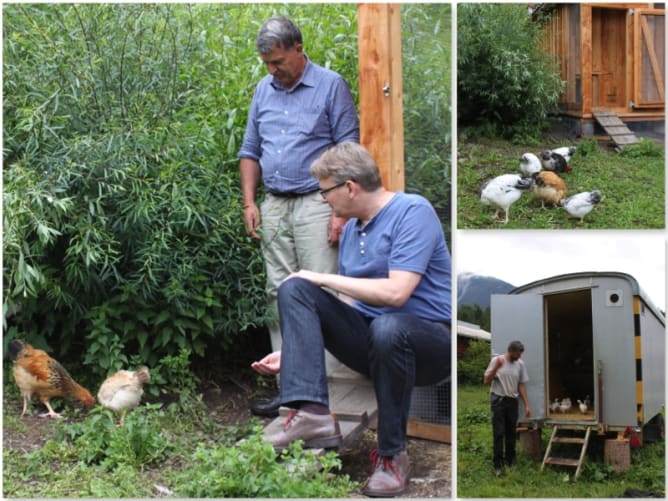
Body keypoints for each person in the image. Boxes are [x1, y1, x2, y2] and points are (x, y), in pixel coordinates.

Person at [251, 143, 451, 497]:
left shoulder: (412, 211)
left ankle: (392, 457)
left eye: (325, 190)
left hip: (427, 345)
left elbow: (396, 294)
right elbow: (349, 310)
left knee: (388, 326)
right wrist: (298, 352)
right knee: (296, 288)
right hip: (373, 343)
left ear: (350, 187)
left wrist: (322, 277)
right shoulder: (354, 230)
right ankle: (312, 413)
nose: (323, 199)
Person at [238, 16, 360, 417]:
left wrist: (341, 210)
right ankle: (290, 390)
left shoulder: (330, 85)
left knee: (320, 294)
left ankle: (323, 394)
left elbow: (348, 150)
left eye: (278, 62)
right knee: (278, 295)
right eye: (267, 64)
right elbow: (250, 149)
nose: (273, 70)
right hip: (273, 203)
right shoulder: (263, 89)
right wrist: (250, 203)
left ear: (298, 49)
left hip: (317, 202)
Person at [483, 340, 531, 477]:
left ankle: (511, 461)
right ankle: (498, 466)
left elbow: (521, 385)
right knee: (498, 433)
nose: (520, 357)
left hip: (512, 401)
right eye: (518, 354)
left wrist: (527, 404)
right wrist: (496, 368)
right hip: (498, 400)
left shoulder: (520, 364)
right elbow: (486, 380)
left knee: (511, 433)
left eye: (521, 354)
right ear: (511, 351)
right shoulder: (497, 360)